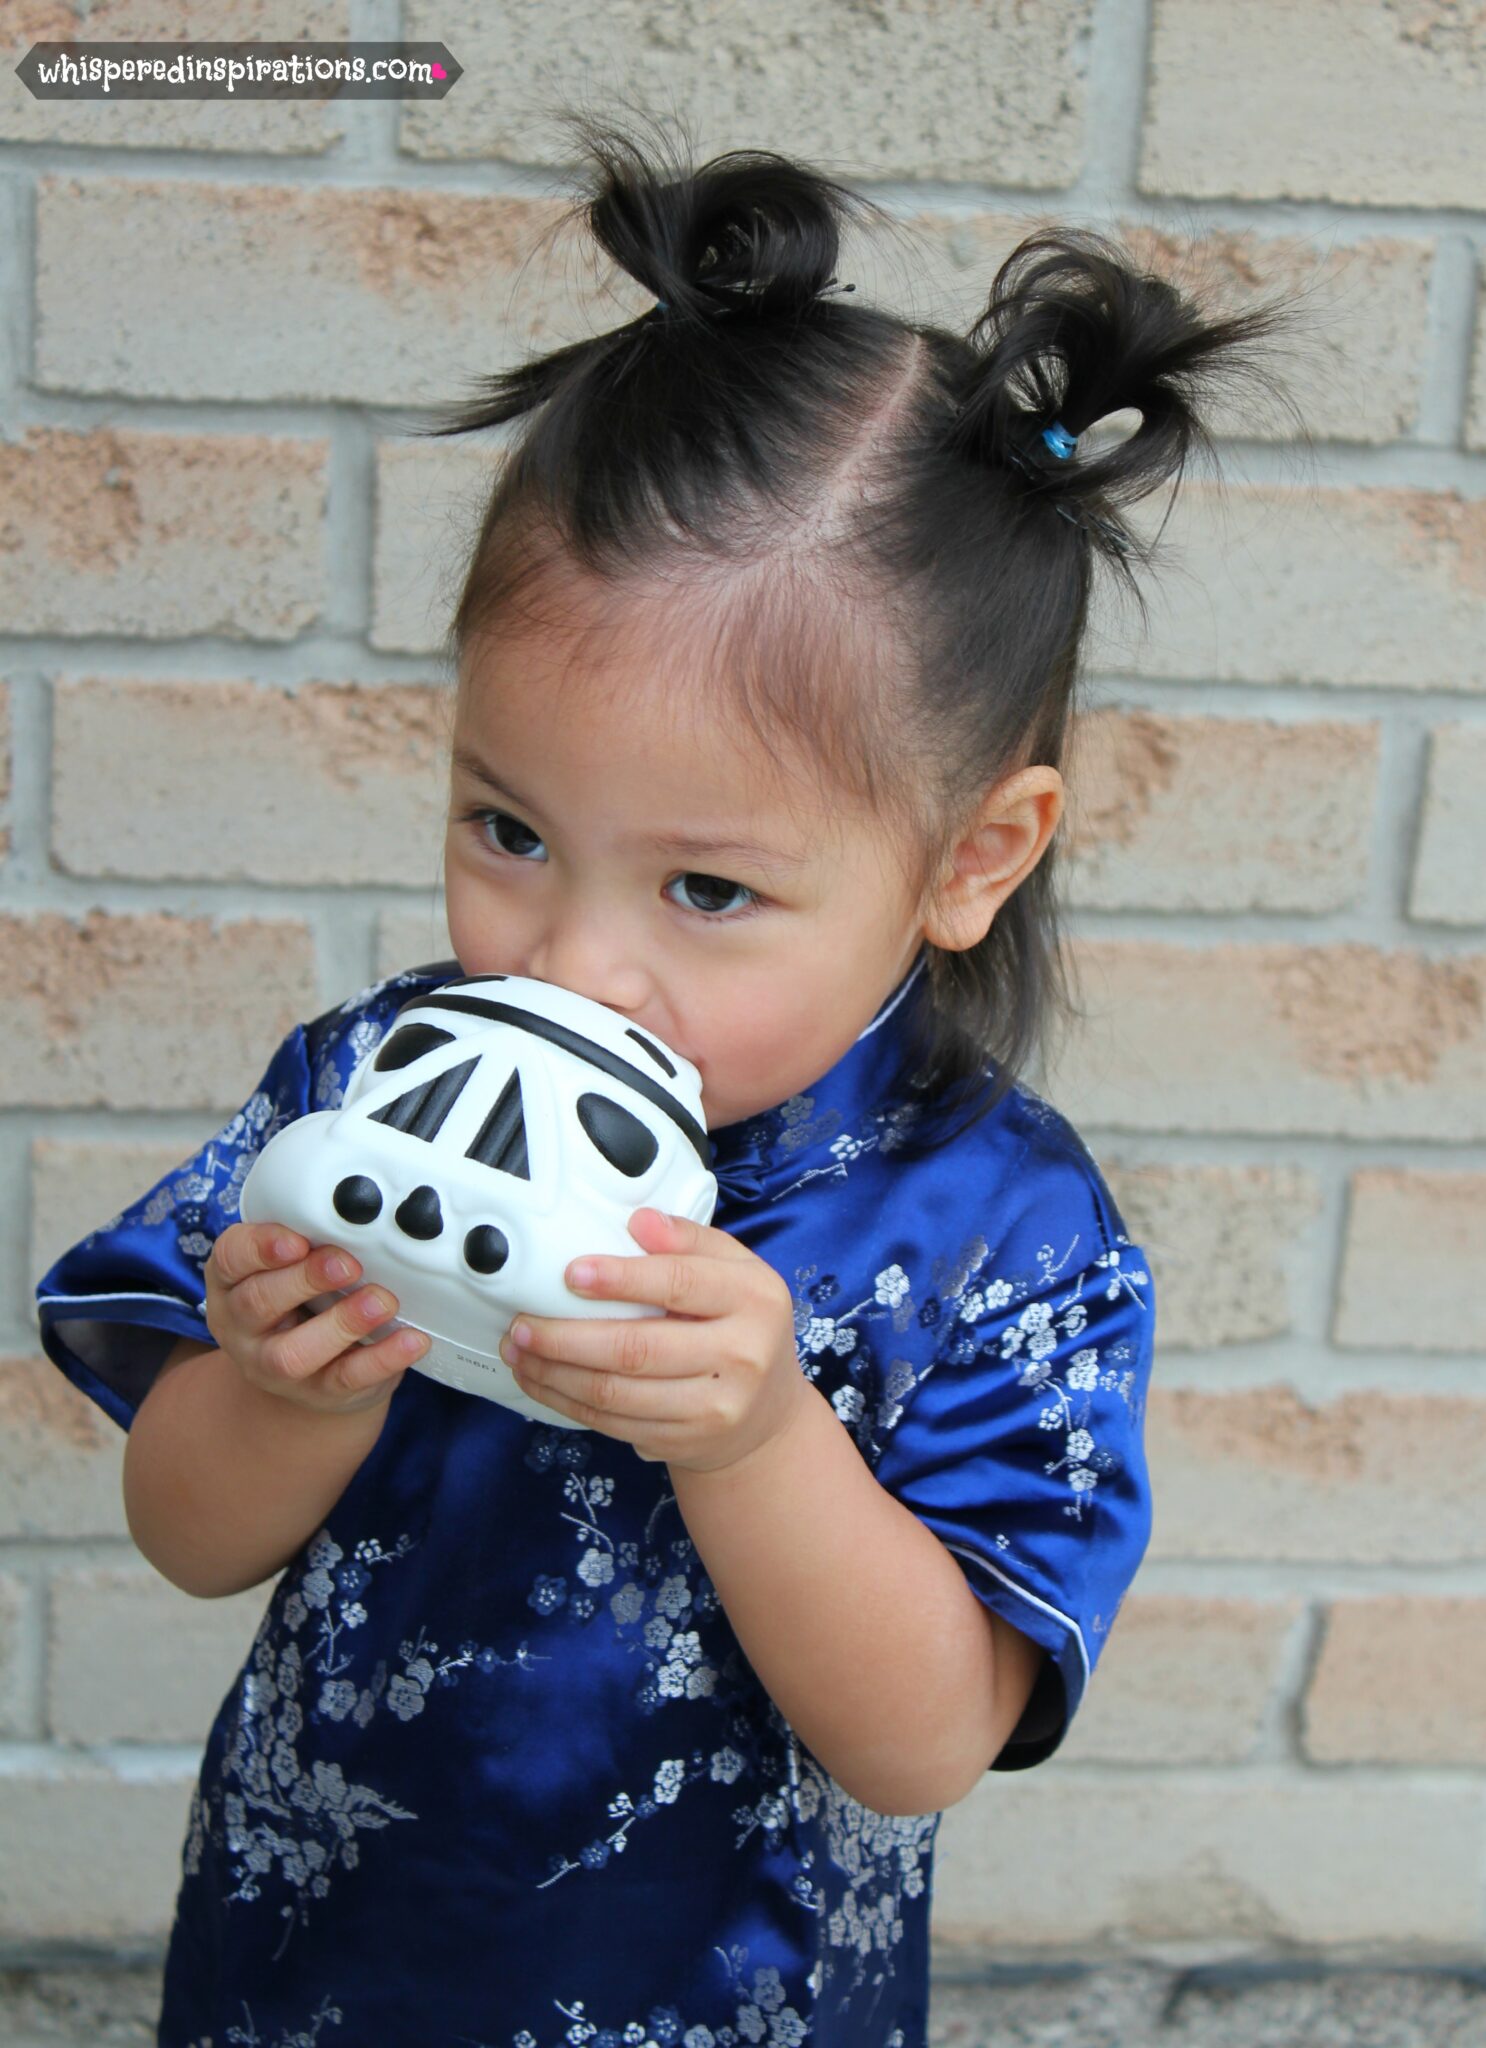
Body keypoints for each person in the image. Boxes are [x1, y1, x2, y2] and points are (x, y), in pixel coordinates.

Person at [35, 112, 1299, 2048]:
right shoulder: (374, 1080)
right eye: (507, 827)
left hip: (728, 1997)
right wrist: (283, 1388)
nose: (569, 959)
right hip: (318, 1951)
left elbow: (917, 1742)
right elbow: (191, 1532)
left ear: (969, 856)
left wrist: (757, 1437)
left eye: (708, 885)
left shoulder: (998, 1228)